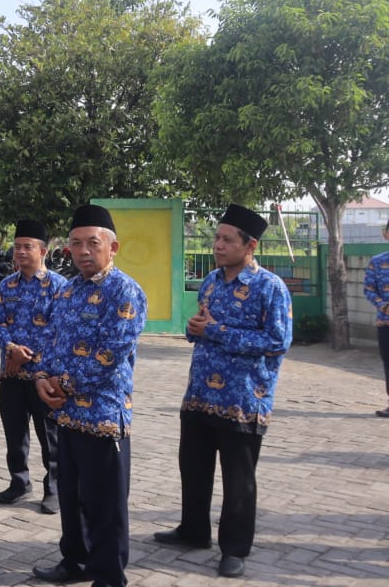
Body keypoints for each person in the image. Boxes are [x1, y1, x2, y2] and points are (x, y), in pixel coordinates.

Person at [153, 204, 292, 579]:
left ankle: (234, 548)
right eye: (217, 238)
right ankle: (192, 530)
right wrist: (194, 327)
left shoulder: (270, 288)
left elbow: (277, 341)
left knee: (238, 479)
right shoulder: (212, 280)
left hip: (243, 399)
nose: (218, 245)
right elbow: (198, 326)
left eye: (227, 240)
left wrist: (214, 331)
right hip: (200, 393)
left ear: (251, 246)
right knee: (193, 468)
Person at [32, 204, 147, 587]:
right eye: (76, 244)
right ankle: (74, 561)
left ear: (112, 247)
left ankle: (108, 575)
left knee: (105, 505)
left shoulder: (125, 291)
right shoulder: (69, 290)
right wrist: (42, 378)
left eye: (92, 243)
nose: (83, 251)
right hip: (67, 415)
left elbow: (109, 356)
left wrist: (62, 385)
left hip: (103, 414)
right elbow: (53, 342)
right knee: (71, 496)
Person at [0, 219, 66, 515]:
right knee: (14, 432)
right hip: (11, 373)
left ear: (43, 251)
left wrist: (28, 356)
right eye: (17, 246)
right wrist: (11, 349)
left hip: (43, 376)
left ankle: (54, 487)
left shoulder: (59, 287)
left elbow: (58, 329)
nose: (20, 252)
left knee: (50, 435)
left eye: (27, 247)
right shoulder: (7, 285)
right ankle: (19, 481)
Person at [364, 218, 389, 418]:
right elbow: (369, 289)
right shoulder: (377, 262)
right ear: (385, 234)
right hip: (385, 322)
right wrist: (384, 306)